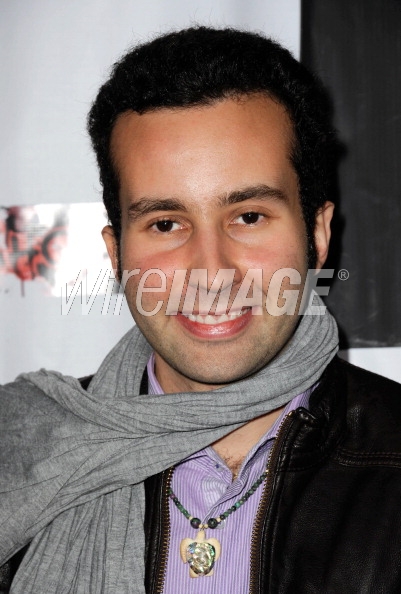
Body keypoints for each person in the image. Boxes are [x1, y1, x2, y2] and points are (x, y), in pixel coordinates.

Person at [1, 26, 401, 594]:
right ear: (117, 255)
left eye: (249, 216)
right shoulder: (19, 461)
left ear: (317, 234)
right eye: (166, 224)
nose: (211, 273)